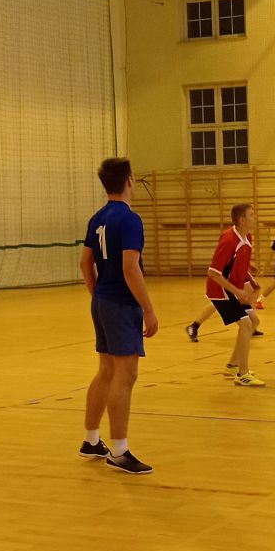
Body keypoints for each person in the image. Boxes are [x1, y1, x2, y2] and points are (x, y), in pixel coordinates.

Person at [79, 158, 158, 474]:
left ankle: (91, 440)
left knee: (106, 370)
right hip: (122, 304)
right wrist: (148, 309)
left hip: (103, 301)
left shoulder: (97, 218)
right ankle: (119, 451)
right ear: (129, 181)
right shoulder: (129, 219)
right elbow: (130, 267)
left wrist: (98, 295)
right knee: (126, 374)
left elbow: (85, 263)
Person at [206, 203, 265, 387]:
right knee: (246, 325)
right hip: (220, 290)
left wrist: (249, 269)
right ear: (242, 220)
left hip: (232, 288)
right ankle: (243, 374)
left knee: (253, 321)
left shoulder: (247, 237)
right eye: (252, 215)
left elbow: (235, 263)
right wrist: (237, 291)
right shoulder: (229, 240)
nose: (255, 218)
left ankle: (232, 365)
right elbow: (213, 273)